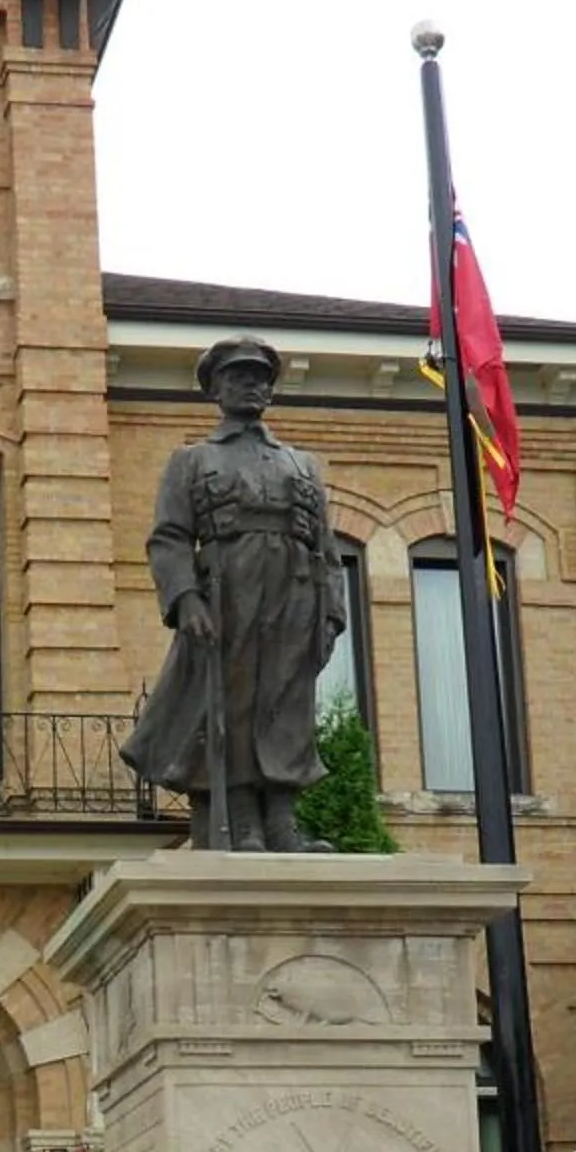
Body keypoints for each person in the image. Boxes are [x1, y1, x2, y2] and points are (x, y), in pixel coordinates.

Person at [119, 335, 347, 852]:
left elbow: (326, 546)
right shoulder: (192, 460)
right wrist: (186, 599)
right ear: (214, 388)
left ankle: (283, 822)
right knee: (235, 701)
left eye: (260, 377)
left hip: (294, 592)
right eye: (239, 376)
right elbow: (170, 537)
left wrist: (332, 613)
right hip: (228, 589)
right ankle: (243, 821)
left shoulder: (302, 464)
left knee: (287, 702)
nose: (252, 385)